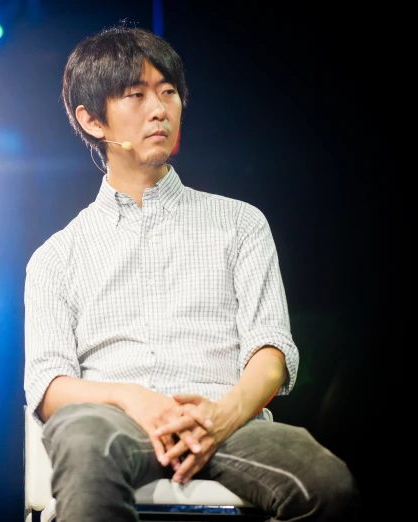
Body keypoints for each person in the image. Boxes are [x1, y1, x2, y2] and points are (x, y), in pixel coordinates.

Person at [23, 23, 359, 521]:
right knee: (83, 437)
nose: (159, 109)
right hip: (114, 427)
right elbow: (49, 386)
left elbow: (271, 350)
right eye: (135, 95)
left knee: (328, 482)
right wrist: (131, 398)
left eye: (169, 92)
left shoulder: (240, 223)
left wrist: (221, 417)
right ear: (92, 120)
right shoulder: (57, 255)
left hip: (227, 423)